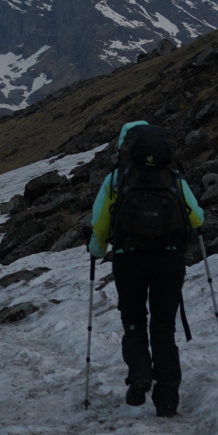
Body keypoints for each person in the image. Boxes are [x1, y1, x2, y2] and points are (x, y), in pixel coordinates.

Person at [87, 121, 204, 418]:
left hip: (129, 258)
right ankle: (166, 400)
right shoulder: (172, 177)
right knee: (164, 326)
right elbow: (198, 218)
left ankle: (140, 372)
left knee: (133, 319)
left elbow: (100, 223)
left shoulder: (116, 179)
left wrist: (97, 249)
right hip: (169, 259)